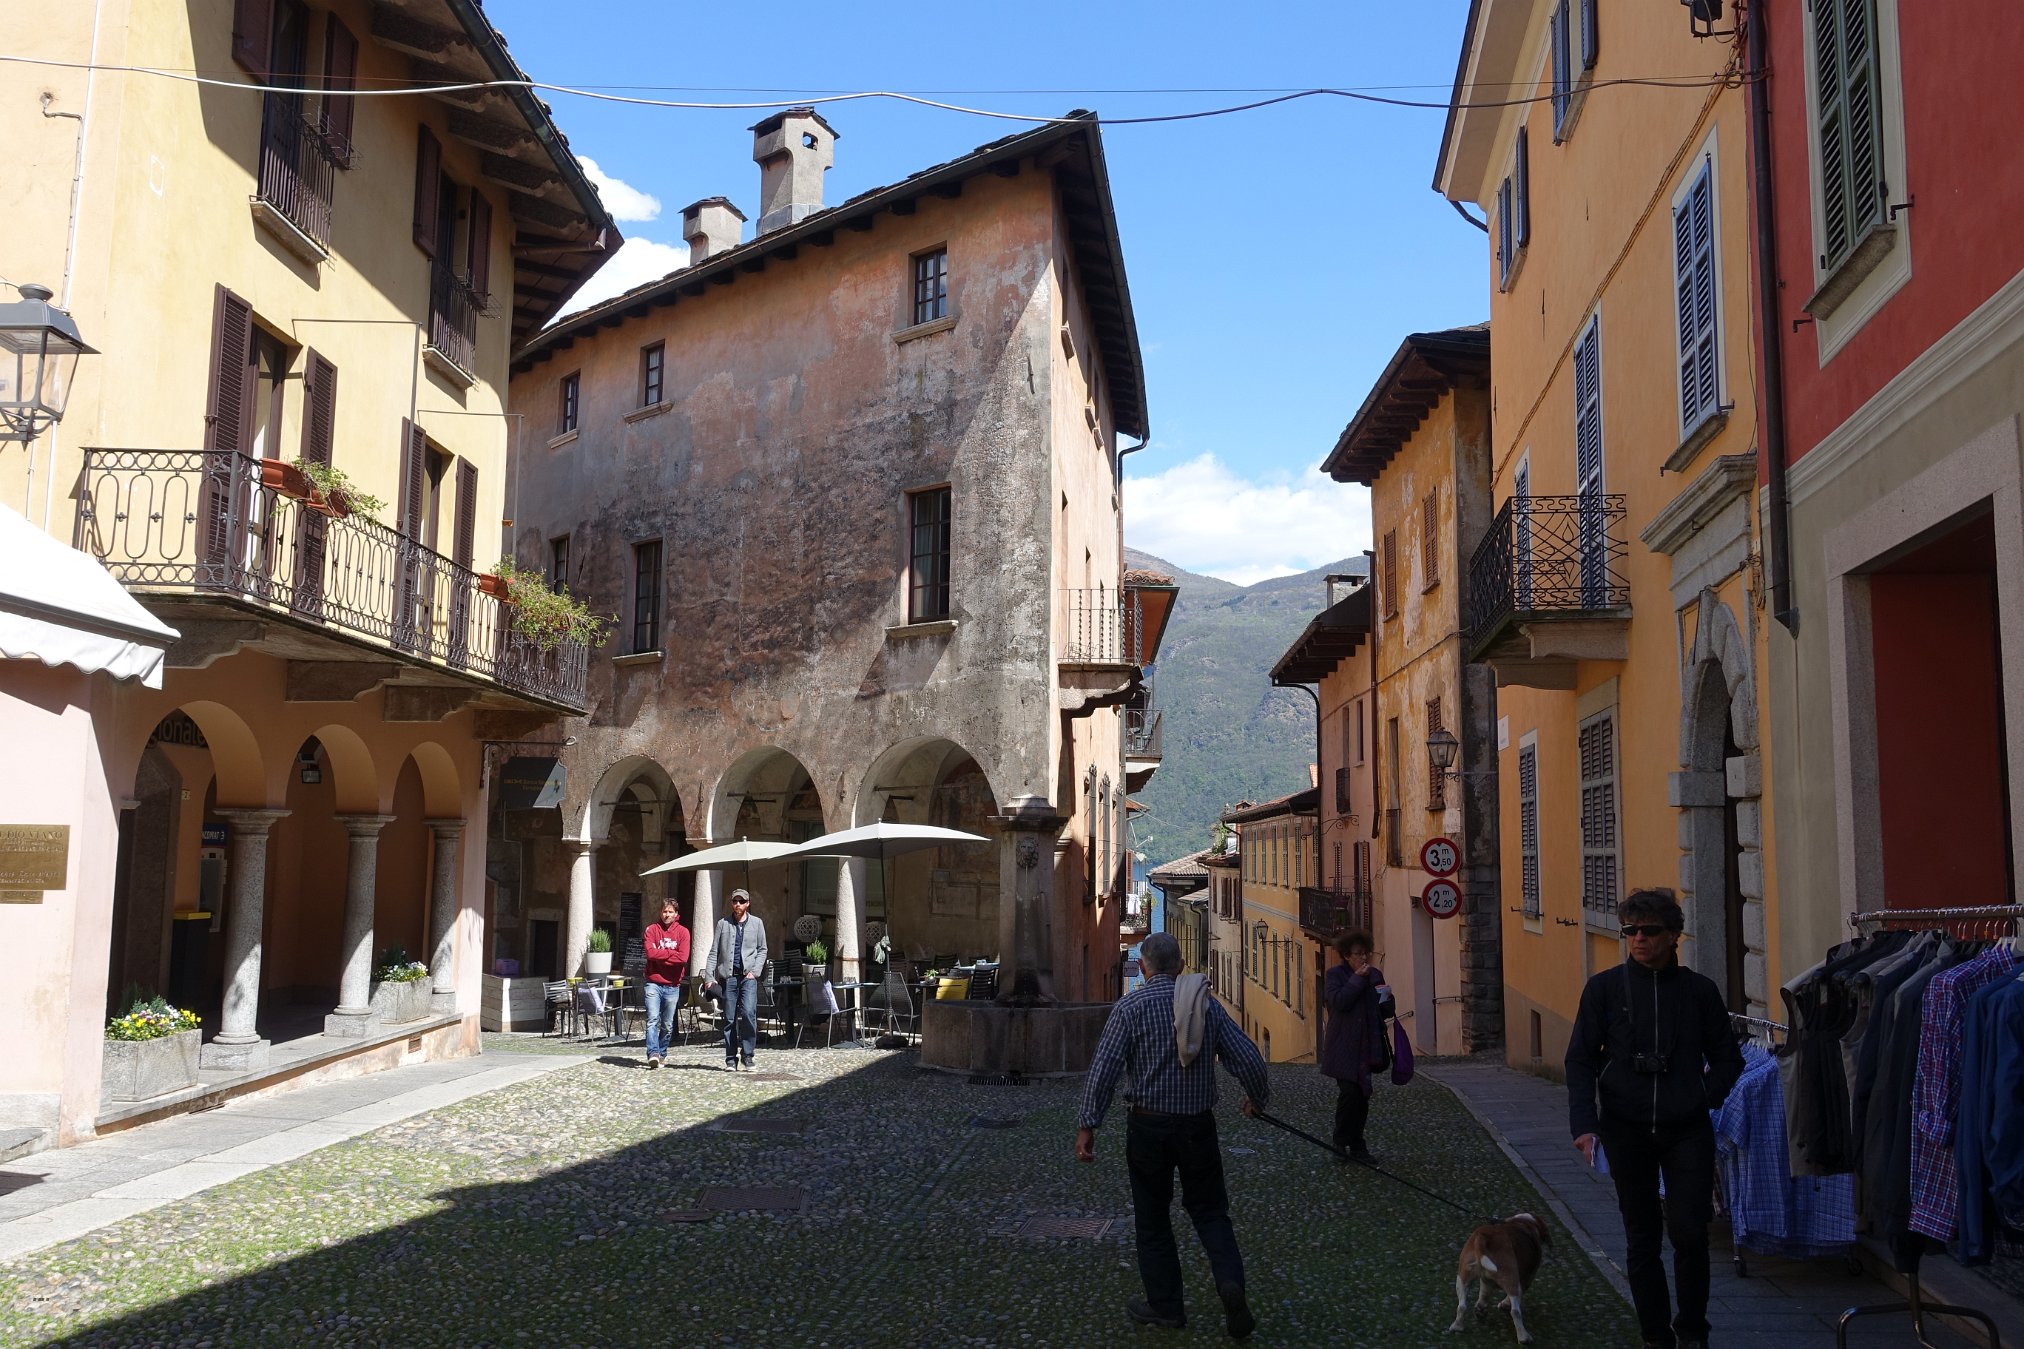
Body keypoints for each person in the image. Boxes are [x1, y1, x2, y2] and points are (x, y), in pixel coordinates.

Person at [1566, 888, 1744, 1349]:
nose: (1639, 939)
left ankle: (1693, 1330)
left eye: (1649, 930)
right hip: (1625, 1127)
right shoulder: (1604, 989)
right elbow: (1580, 1059)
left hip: (1686, 1129)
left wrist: (1702, 1095)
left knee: (1690, 1232)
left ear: (1673, 935)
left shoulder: (1699, 991)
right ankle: (1655, 1335)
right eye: (1630, 930)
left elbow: (1729, 1058)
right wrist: (1584, 1124)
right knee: (1641, 1237)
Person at [1075, 931, 1267, 1340]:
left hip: (1148, 1128)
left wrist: (1088, 1124)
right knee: (1211, 1211)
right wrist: (1257, 1098)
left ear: (1143, 968)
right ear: (1180, 966)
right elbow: (1248, 1057)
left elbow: (1104, 1070)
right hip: (1197, 1126)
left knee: (1152, 1217)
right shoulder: (1205, 1005)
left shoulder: (1130, 1007)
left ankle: (1165, 1306)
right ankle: (1229, 1284)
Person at [1319, 928, 1385, 1161]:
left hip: (1367, 1046)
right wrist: (1357, 979)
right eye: (1358, 953)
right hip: (1343, 1046)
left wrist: (1386, 997)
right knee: (1349, 1094)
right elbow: (1339, 1002)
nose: (1364, 957)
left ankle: (1357, 1145)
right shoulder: (1335, 975)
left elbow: (1385, 1009)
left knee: (1362, 1096)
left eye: (1366, 953)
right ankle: (1340, 1142)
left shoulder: (1375, 975)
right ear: (1347, 955)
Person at [706, 888, 767, 1071]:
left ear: (748, 903)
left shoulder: (757, 923)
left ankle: (747, 1055)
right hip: (729, 977)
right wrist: (709, 977)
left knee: (748, 1014)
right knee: (729, 1019)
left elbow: (762, 949)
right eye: (735, 901)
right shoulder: (723, 924)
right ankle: (731, 1059)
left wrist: (755, 971)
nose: (737, 904)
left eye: (741, 901)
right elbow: (714, 952)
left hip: (748, 977)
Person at [641, 898, 690, 1069]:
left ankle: (661, 1053)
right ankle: (653, 1053)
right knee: (652, 1019)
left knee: (668, 1025)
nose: (667, 914)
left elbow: (683, 958)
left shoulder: (683, 933)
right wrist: (671, 954)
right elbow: (650, 953)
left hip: (672, 984)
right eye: (664, 911)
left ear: (676, 914)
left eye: (670, 912)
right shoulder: (652, 930)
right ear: (660, 912)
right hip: (653, 982)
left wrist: (661, 954)